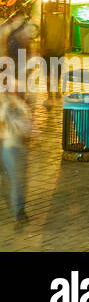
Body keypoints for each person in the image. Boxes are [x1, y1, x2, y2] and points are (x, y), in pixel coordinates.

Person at [0, 93, 32, 225]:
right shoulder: (7, 102)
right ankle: (19, 211)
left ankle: (19, 209)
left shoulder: (18, 102)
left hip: (16, 146)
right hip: (10, 146)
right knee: (16, 179)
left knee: (17, 179)